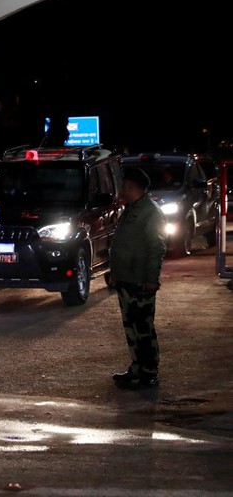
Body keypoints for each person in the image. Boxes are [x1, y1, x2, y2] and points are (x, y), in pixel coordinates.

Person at [108, 166, 167, 389]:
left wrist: (152, 279)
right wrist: (116, 274)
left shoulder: (150, 212)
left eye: (124, 185)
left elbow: (156, 247)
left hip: (141, 282)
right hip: (126, 279)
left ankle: (150, 371)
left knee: (143, 328)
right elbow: (122, 244)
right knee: (131, 327)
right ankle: (137, 367)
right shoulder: (132, 209)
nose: (121, 188)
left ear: (132, 186)